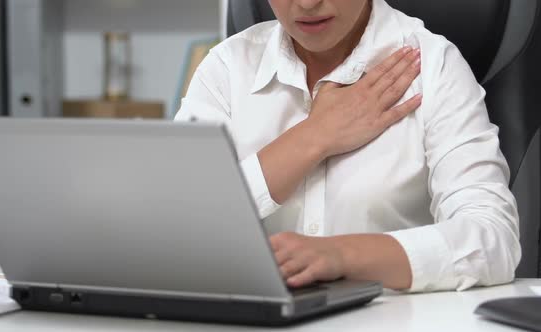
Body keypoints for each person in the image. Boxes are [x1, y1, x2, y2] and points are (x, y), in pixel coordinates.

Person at [175, 0, 521, 292]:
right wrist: (314, 136)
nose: (308, 3)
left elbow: (492, 241)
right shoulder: (226, 68)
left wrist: (341, 256)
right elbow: (173, 225)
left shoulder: (432, 65)